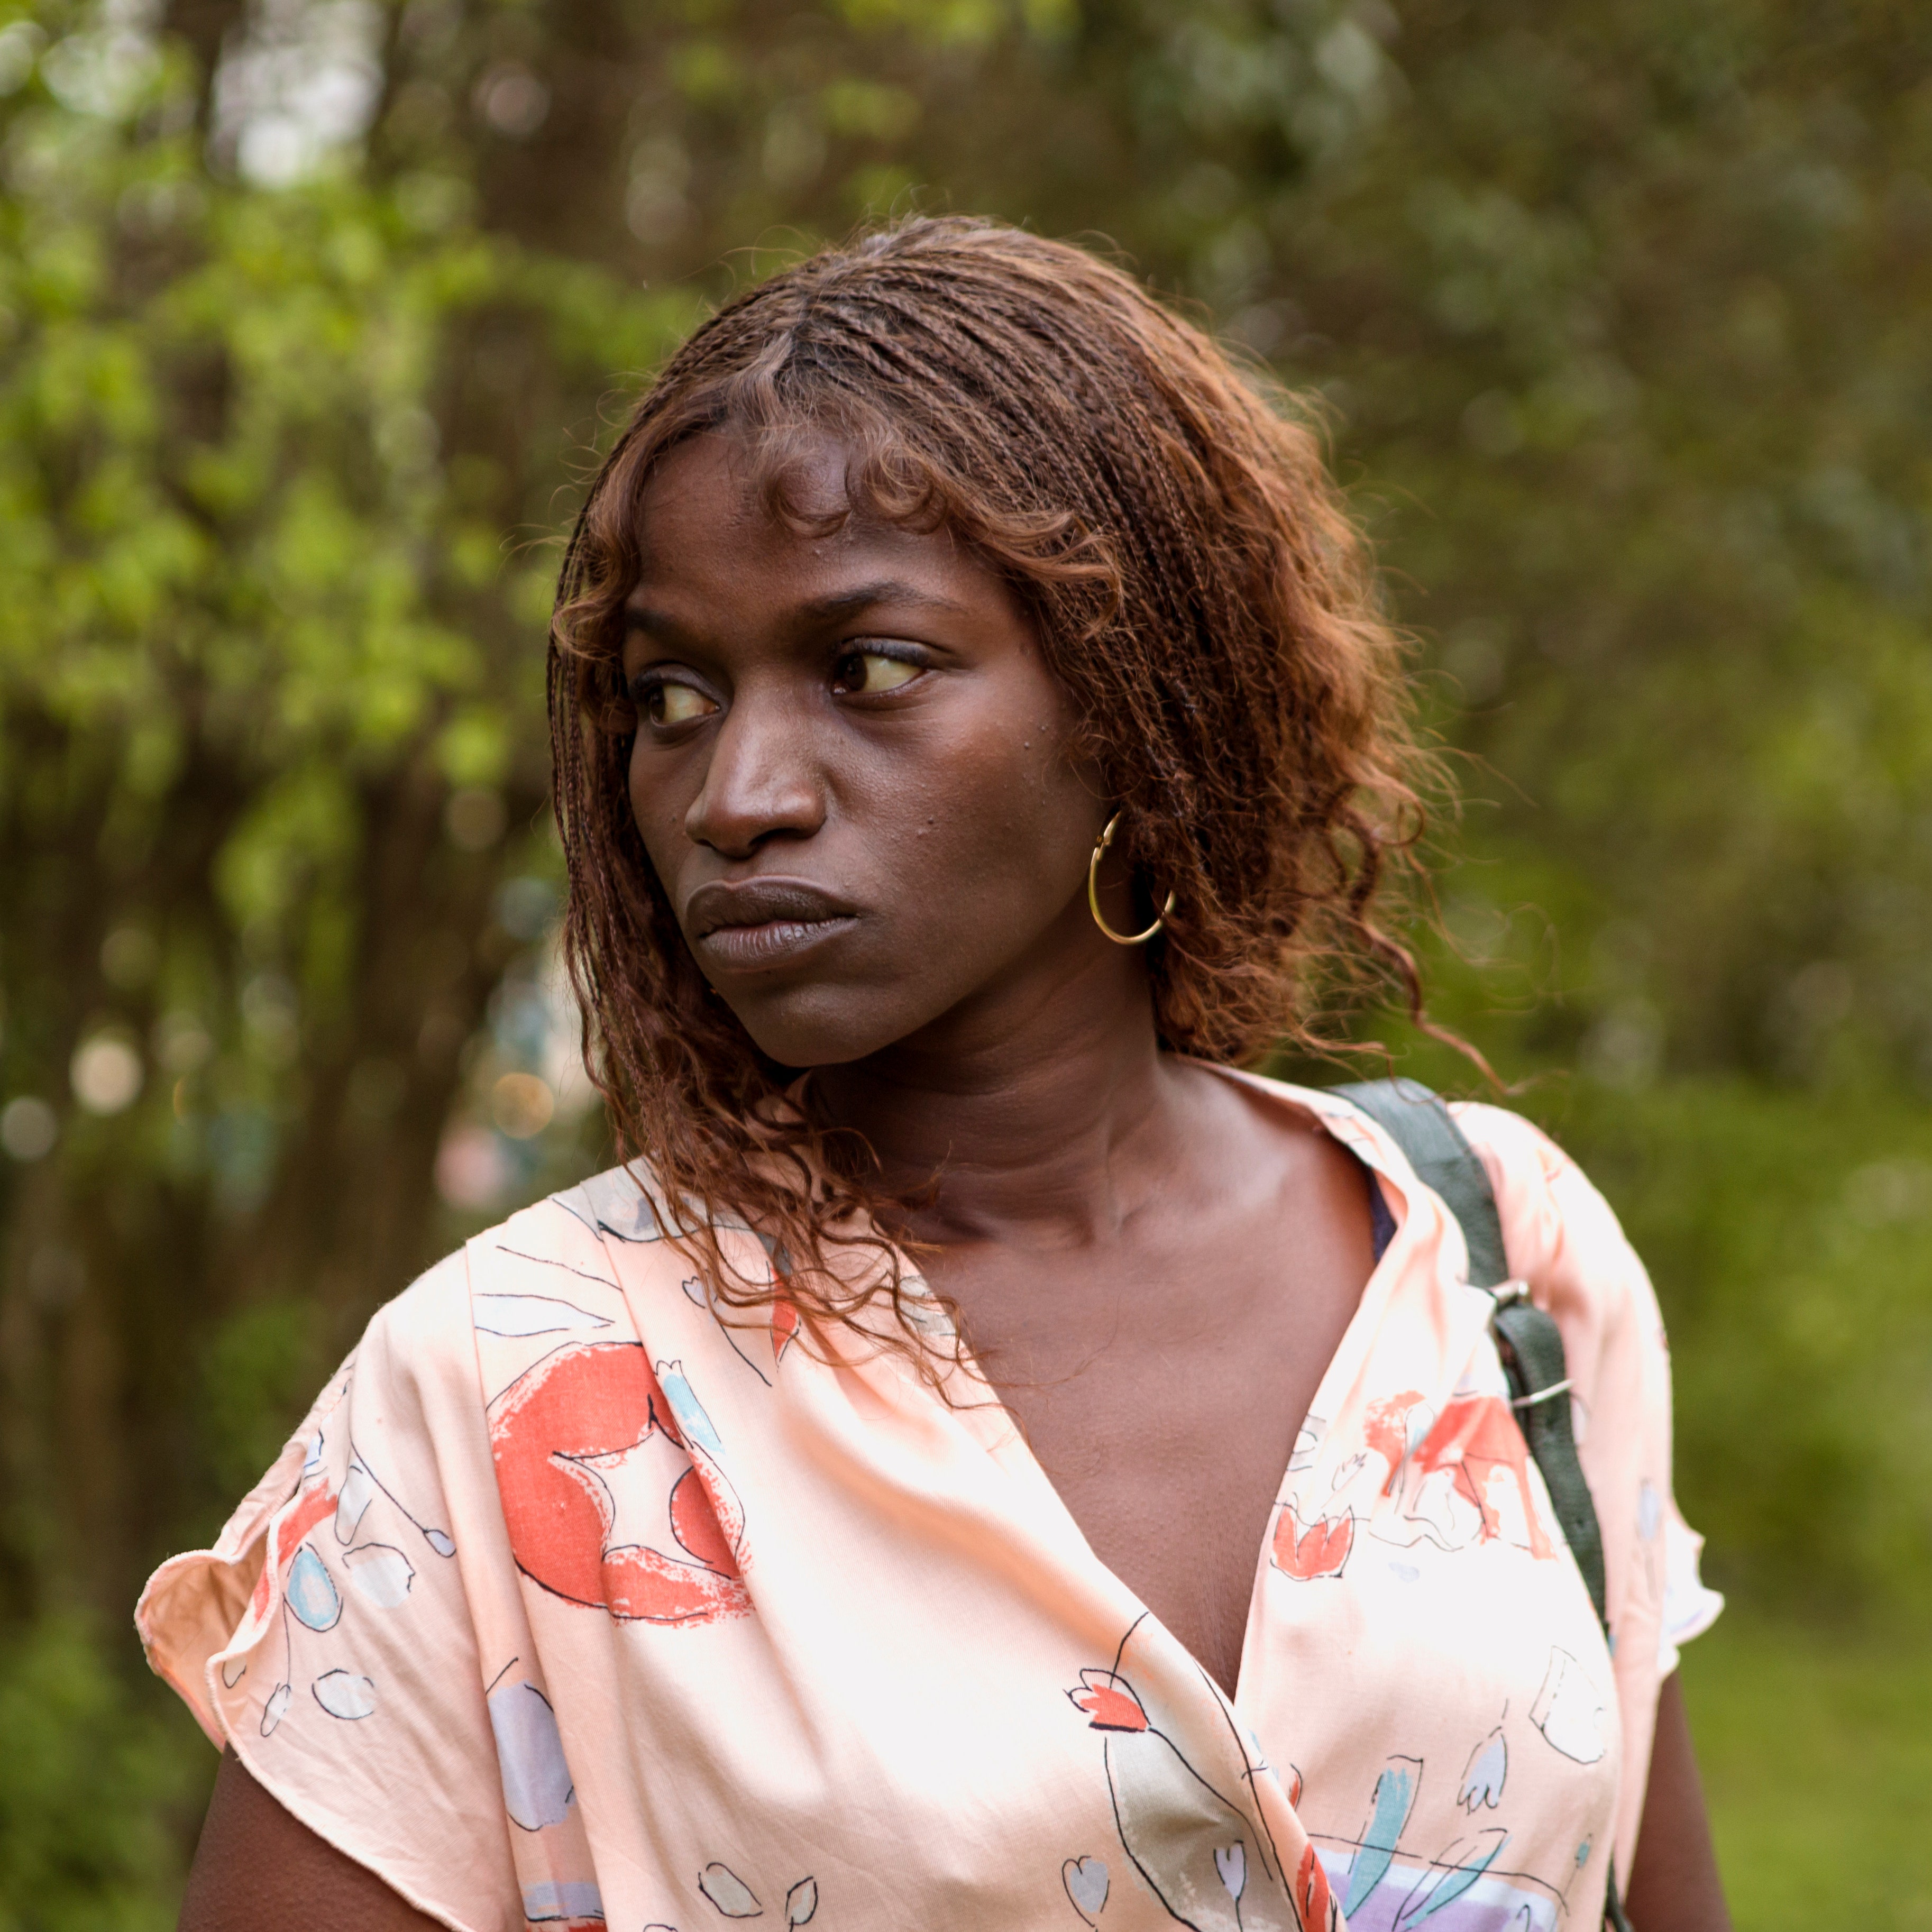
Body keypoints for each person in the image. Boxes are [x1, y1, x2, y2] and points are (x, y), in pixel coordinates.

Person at [142, 217, 1730, 1932]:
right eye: (668, 694)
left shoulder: (1498, 1257)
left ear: (1140, 699)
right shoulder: (506, 1394)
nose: (736, 792)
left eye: (868, 669)